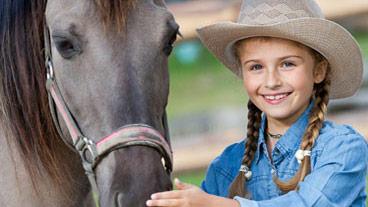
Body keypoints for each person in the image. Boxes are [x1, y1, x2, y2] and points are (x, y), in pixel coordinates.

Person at [146, 0, 368, 206]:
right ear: (243, 73)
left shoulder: (343, 148)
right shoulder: (226, 167)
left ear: (318, 71)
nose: (271, 81)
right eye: (256, 67)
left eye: (288, 64)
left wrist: (214, 204)